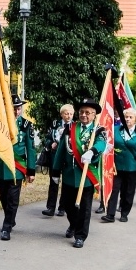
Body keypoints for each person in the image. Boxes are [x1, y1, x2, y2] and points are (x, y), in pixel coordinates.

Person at [50, 98, 107, 248]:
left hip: (87, 175)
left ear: (94, 115)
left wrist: (92, 151)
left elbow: (101, 144)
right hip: (69, 174)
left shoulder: (98, 130)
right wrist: (55, 171)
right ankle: (74, 224)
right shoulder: (71, 128)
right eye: (81, 112)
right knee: (68, 206)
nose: (83, 115)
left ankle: (80, 235)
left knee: (85, 208)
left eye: (87, 112)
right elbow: (62, 149)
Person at [0, 94, 36, 240]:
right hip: (1, 166)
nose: (16, 112)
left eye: (18, 108)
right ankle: (10, 219)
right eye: (13, 109)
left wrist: (31, 171)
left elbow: (30, 149)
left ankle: (6, 228)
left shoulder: (26, 125)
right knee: (3, 197)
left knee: (13, 198)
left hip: (17, 169)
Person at [101, 108, 136, 223]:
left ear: (135, 119)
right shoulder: (115, 130)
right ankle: (110, 214)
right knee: (114, 189)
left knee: (128, 191)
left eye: (130, 117)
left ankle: (124, 213)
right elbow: (109, 145)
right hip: (116, 166)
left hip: (132, 166)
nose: (127, 119)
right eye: (126, 117)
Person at [42, 104, 74, 217]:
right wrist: (51, 144)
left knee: (66, 183)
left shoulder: (75, 126)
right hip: (55, 157)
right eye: (66, 113)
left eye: (70, 114)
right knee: (53, 182)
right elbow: (48, 139)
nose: (68, 116)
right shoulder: (55, 124)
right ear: (61, 114)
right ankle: (50, 207)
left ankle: (62, 207)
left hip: (68, 159)